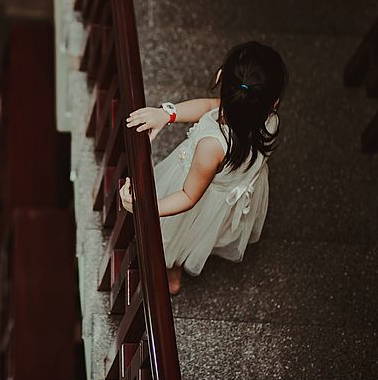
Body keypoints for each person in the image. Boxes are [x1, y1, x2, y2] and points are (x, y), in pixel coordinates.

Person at [120, 41, 288, 294]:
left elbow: (188, 196)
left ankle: (171, 267)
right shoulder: (268, 119)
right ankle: (176, 263)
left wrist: (145, 206)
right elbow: (210, 106)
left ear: (220, 76)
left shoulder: (212, 146)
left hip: (199, 195)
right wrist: (169, 114)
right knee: (202, 234)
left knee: (179, 234)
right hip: (228, 195)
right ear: (273, 102)